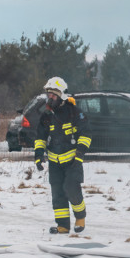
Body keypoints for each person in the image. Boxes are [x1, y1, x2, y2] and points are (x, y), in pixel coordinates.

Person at [33, 77, 92, 234]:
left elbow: (86, 134)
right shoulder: (47, 116)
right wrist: (38, 155)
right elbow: (40, 137)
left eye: (53, 95)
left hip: (73, 161)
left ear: (61, 95)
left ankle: (80, 217)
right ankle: (63, 226)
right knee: (58, 193)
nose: (50, 98)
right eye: (48, 95)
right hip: (54, 162)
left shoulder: (74, 113)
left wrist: (79, 155)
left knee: (71, 188)